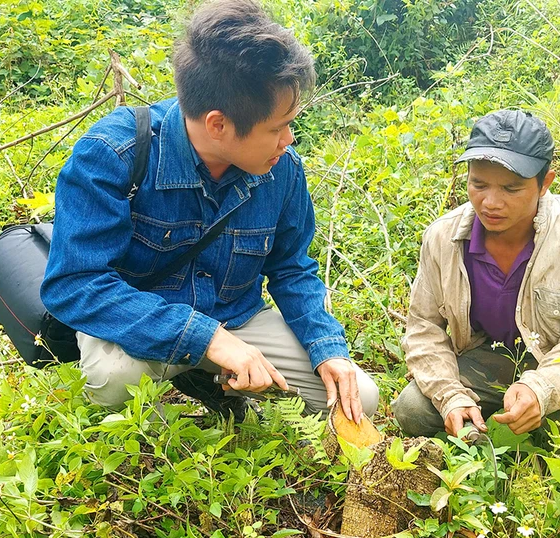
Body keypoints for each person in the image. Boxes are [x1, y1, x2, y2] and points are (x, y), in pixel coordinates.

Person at [41, 0, 378, 423]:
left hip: (235, 316)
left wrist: (328, 348)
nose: (288, 140)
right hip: (143, 324)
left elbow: (291, 268)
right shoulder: (113, 154)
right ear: (218, 124)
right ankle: (185, 382)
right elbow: (76, 284)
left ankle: (204, 376)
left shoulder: (282, 170)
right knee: (115, 378)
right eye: (276, 128)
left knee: (358, 399)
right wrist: (206, 339)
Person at [392, 109, 560, 445]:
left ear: (545, 184)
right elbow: (424, 328)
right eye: (478, 184)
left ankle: (512, 441)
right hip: (488, 357)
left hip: (559, 360)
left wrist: (540, 390)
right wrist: (451, 396)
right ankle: (491, 442)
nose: (491, 202)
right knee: (413, 409)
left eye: (511, 189)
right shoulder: (443, 238)